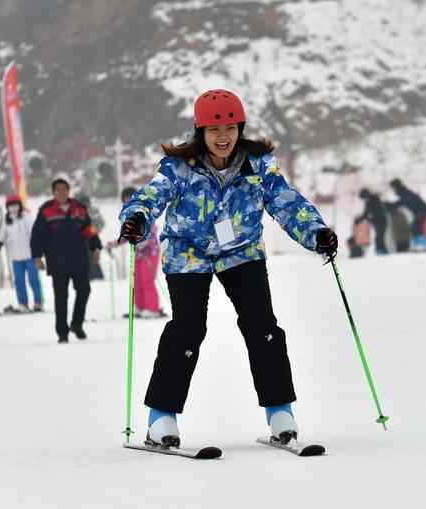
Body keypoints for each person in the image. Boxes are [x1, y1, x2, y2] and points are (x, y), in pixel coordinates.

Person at [118, 89, 337, 448]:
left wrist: (316, 233)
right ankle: (162, 417)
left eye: (231, 129)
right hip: (188, 253)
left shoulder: (258, 164)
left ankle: (280, 411)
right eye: (214, 130)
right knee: (187, 329)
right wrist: (137, 220)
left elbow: (286, 201)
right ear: (200, 132)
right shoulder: (180, 167)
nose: (223, 137)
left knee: (262, 326)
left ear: (240, 129)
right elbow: (150, 197)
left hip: (241, 250)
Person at [31, 178, 102, 343]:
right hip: (57, 262)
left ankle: (77, 324)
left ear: (68, 191)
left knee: (84, 290)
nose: (61, 192)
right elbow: (37, 236)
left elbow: (89, 230)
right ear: (53, 192)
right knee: (61, 298)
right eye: (58, 189)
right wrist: (37, 256)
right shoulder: (46, 211)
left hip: (79, 259)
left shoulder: (79, 208)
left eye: (64, 189)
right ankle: (62, 333)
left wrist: (95, 247)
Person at [106, 187, 167, 318]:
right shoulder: (127, 216)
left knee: (146, 280)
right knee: (137, 281)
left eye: (131, 198)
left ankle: (152, 308)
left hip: (149, 253)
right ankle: (140, 307)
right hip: (138, 254)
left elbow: (151, 229)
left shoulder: (144, 211)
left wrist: (141, 243)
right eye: (126, 200)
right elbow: (125, 236)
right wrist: (113, 244)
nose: (129, 202)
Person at [0, 194, 43, 312]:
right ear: (7, 207)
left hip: (30, 255)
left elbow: (34, 232)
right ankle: (23, 303)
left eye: (15, 205)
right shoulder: (7, 220)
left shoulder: (27, 217)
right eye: (10, 206)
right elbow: (3, 234)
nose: (13, 208)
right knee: (19, 281)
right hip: (16, 257)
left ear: (20, 205)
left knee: (33, 279)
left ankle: (38, 303)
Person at [389, 178, 426, 251]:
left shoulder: (404, 192)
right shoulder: (402, 192)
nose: (393, 189)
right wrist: (393, 205)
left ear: (396, 186)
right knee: (415, 228)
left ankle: (422, 245)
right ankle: (420, 245)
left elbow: (404, 201)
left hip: (421, 210)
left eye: (393, 187)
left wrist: (394, 205)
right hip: (418, 211)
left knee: (417, 227)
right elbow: (402, 201)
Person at [76, 193, 106, 281]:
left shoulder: (93, 211)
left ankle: (96, 276)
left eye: (85, 202)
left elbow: (101, 223)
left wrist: (92, 231)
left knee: (92, 257)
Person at [356, 188, 388, 255]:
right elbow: (366, 213)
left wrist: (369, 219)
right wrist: (359, 219)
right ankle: (380, 251)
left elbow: (377, 212)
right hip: (376, 222)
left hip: (381, 221)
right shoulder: (368, 202)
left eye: (364, 198)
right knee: (379, 237)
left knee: (379, 237)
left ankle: (382, 251)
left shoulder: (375, 199)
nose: (364, 200)